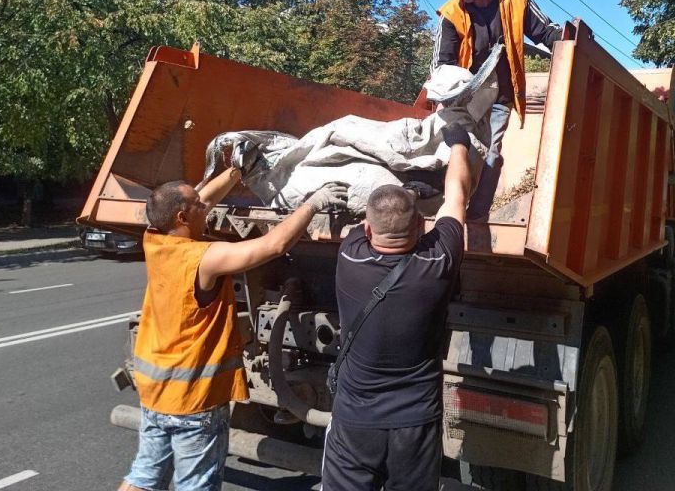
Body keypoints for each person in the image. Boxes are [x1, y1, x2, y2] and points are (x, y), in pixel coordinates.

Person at [118, 161, 348, 491]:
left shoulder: (154, 238)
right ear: (182, 218)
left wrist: (235, 172)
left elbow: (202, 200)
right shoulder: (205, 258)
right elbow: (273, 246)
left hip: (155, 392)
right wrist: (314, 203)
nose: (205, 206)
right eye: (197, 206)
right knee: (197, 484)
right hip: (193, 398)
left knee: (144, 475)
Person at [321, 124, 474, 491]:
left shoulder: (350, 256)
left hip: (354, 422)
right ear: (422, 225)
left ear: (369, 232)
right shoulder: (439, 262)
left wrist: (405, 191)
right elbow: (456, 196)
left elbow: (364, 222)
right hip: (415, 423)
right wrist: (459, 144)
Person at [432, 0, 564, 220]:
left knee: (490, 154)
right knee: (456, 148)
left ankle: (476, 217)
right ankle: (446, 209)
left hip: (499, 97)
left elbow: (546, 33)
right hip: (462, 98)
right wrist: (450, 96)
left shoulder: (516, 0)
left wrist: (572, 37)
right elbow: (441, 66)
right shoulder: (450, 13)